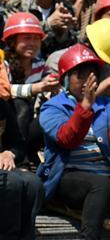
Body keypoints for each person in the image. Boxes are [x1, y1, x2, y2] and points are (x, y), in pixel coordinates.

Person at [38, 45, 110, 240]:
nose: (87, 81)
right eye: (80, 76)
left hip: (104, 175)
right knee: (100, 184)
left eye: (92, 75)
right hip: (68, 177)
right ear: (67, 78)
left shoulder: (106, 105)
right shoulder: (52, 107)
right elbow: (67, 139)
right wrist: (85, 108)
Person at [3, 13, 60, 164]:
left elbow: (50, 90)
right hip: (8, 123)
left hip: (32, 124)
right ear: (12, 41)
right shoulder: (4, 63)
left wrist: (52, 87)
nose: (32, 43)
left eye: (36, 39)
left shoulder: (41, 65)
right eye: (27, 38)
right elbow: (5, 90)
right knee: (21, 103)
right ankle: (18, 154)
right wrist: (36, 88)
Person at [0, 97, 44, 240]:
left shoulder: (3, 107)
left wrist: (10, 153)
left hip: (3, 165)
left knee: (33, 183)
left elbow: (18, 145)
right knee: (12, 182)